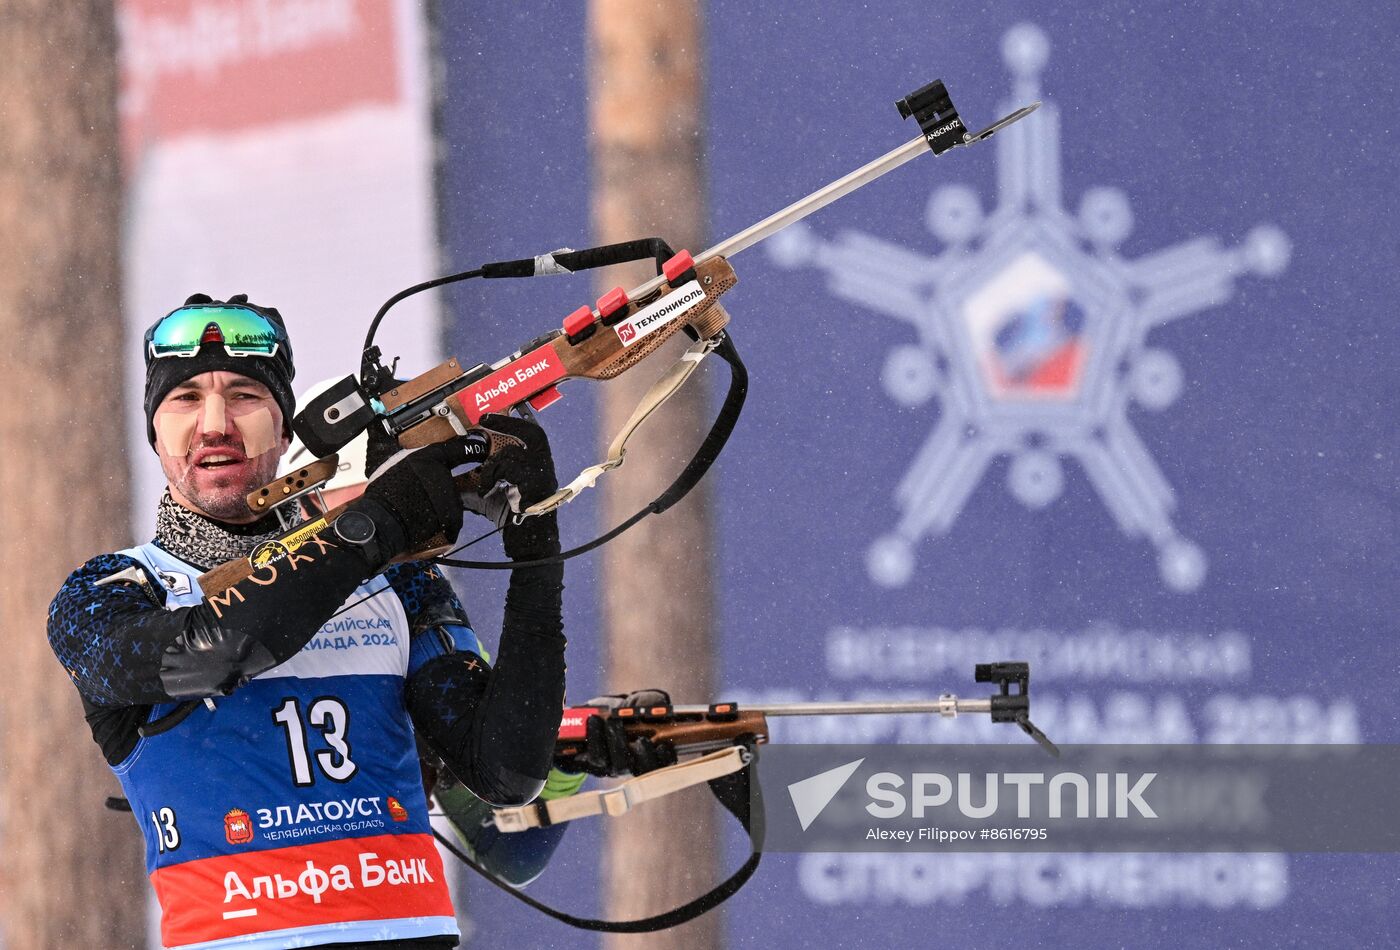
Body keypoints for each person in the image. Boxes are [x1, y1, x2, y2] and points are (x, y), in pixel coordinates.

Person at [48, 294, 567, 950]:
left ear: (285, 428)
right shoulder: (111, 591)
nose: (215, 424)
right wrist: (376, 524)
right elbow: (218, 650)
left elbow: (506, 773)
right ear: (152, 430)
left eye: (243, 396)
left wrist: (536, 548)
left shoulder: (399, 580)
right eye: (184, 399)